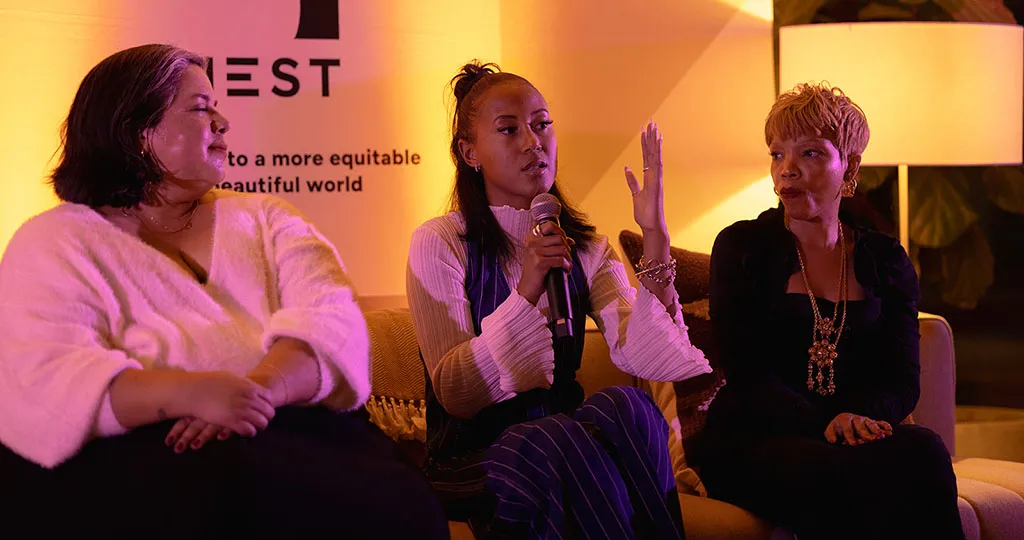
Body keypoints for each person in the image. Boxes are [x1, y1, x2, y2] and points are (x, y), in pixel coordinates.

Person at [0, 44, 447, 539]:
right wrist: (190, 393)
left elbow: (331, 319)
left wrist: (254, 394)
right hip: (136, 451)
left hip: (285, 426)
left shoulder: (268, 219)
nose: (222, 122)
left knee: (399, 499)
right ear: (137, 133)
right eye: (200, 108)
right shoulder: (54, 240)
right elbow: (46, 375)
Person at [406, 61, 712, 539]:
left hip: (566, 442)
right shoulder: (441, 242)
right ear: (469, 152)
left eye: (542, 124)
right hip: (474, 459)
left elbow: (641, 351)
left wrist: (655, 235)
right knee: (556, 437)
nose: (533, 141)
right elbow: (456, 392)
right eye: (509, 129)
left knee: (629, 405)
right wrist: (527, 289)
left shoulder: (584, 246)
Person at [692, 83, 964, 540]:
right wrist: (826, 424)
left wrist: (859, 421)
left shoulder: (886, 260)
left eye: (811, 153)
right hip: (755, 435)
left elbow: (902, 380)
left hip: (849, 433)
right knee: (837, 474)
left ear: (849, 167)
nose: (788, 169)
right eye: (777, 154)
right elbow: (747, 372)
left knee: (926, 450)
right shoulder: (742, 247)